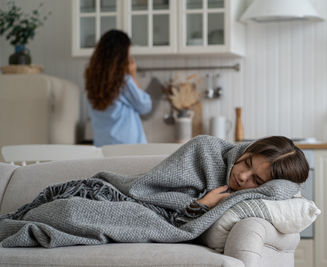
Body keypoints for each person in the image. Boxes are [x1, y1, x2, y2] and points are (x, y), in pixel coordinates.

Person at [0, 135, 309, 248]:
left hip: (142, 215)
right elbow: (145, 190)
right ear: (249, 149)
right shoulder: (206, 150)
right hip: (111, 194)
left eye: (257, 180)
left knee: (74, 218)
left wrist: (200, 206)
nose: (242, 177)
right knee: (72, 210)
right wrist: (200, 203)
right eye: (247, 163)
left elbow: (287, 189)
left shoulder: (241, 194)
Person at [85, 29, 152, 146]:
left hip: (103, 146)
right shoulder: (124, 81)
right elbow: (145, 106)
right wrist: (133, 75)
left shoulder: (92, 82)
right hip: (127, 147)